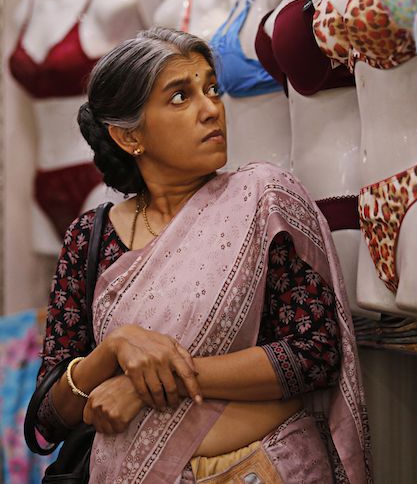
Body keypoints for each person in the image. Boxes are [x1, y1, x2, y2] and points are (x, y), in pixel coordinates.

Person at [33, 27, 372, 483]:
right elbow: (52, 417)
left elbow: (313, 355)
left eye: (212, 89)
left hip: (264, 470)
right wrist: (114, 350)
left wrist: (144, 383)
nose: (211, 108)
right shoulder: (89, 240)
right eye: (180, 97)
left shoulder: (262, 200)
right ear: (129, 137)